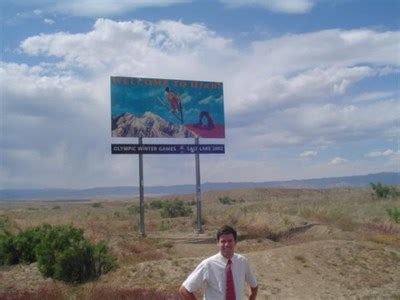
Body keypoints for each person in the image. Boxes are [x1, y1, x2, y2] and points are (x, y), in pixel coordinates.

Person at [179, 225, 258, 300]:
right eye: (223, 241)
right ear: (218, 243)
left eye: (230, 241)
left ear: (235, 242)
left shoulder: (242, 262)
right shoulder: (208, 265)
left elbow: (254, 285)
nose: (226, 244)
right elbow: (184, 290)